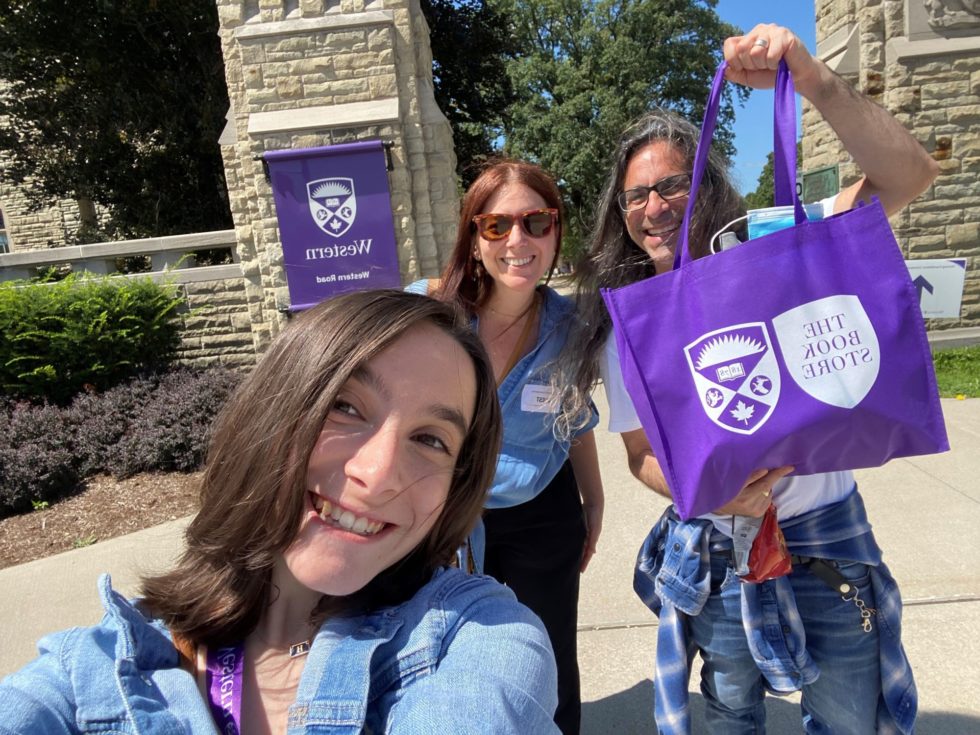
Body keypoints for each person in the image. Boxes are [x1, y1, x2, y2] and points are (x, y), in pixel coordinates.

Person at [561, 24, 938, 735]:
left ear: (706, 179)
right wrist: (710, 492)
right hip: (717, 548)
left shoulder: (774, 244)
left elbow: (910, 176)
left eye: (672, 184)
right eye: (634, 196)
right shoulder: (632, 326)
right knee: (731, 713)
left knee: (852, 714)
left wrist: (812, 77)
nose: (653, 207)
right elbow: (641, 454)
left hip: (825, 534)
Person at [0, 290, 561, 734]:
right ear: (271, 416)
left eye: (431, 440)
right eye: (344, 406)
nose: (379, 472)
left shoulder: (476, 638)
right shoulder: (93, 671)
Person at [407, 160, 604, 735]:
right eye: (496, 226)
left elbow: (576, 416)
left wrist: (593, 502)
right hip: (442, 515)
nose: (517, 240)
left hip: (543, 514)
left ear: (555, 231)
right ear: (474, 239)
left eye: (536, 222)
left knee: (548, 660)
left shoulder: (575, 325)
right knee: (445, 656)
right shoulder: (429, 314)